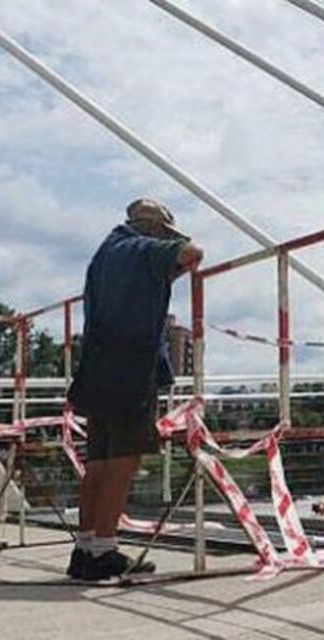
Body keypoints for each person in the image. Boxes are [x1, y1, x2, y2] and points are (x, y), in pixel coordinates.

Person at [66, 198, 203, 580]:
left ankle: (85, 548)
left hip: (97, 367)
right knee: (124, 460)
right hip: (131, 367)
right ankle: (105, 550)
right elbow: (193, 252)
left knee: (97, 461)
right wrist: (173, 258)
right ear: (154, 229)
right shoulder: (144, 248)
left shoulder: (104, 254)